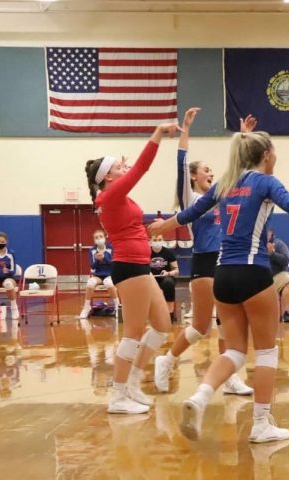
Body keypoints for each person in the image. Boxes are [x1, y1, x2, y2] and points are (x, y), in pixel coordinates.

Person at [149, 127, 289, 443]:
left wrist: (165, 225)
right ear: (266, 155)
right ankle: (261, 424)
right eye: (274, 151)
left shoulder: (225, 183)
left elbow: (191, 212)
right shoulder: (265, 182)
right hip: (252, 272)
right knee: (265, 353)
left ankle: (200, 396)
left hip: (221, 275)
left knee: (235, 351)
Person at [153, 108, 253, 396]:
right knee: (199, 327)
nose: (211, 173)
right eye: (206, 169)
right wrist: (185, 128)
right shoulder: (191, 198)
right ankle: (167, 360)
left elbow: (240, 173)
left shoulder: (220, 194)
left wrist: (244, 138)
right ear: (195, 177)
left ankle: (230, 378)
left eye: (211, 169)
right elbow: (181, 163)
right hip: (205, 261)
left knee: (227, 323)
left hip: (227, 262)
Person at [84, 121, 182, 415]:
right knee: (134, 332)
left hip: (139, 266)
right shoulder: (109, 196)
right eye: (117, 167)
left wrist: (119, 169)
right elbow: (141, 168)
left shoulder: (116, 195)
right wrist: (157, 134)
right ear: (107, 177)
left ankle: (133, 383)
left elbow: (130, 173)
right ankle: (117, 396)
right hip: (128, 267)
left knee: (163, 325)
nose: (123, 168)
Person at [79, 229, 119, 319]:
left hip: (110, 274)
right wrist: (97, 260)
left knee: (108, 282)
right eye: (96, 237)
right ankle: (86, 307)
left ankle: (117, 306)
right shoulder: (92, 250)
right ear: (94, 240)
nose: (99, 239)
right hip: (98, 275)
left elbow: (113, 264)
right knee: (90, 283)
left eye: (101, 236)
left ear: (105, 238)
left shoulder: (111, 248)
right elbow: (93, 267)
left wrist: (104, 258)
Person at [267, 228, 289, 323]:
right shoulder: (253, 245)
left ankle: (287, 313)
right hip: (259, 276)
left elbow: (285, 261)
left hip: (276, 275)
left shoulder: (279, 244)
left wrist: (273, 254)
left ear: (272, 234)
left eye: (267, 232)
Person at [149, 234, 179, 319]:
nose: (157, 242)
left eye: (159, 240)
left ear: (163, 240)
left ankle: (170, 313)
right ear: (151, 241)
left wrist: (168, 273)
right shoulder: (147, 252)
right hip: (151, 279)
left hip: (165, 278)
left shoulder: (168, 252)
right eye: (155, 240)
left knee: (168, 283)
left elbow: (177, 271)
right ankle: (148, 314)